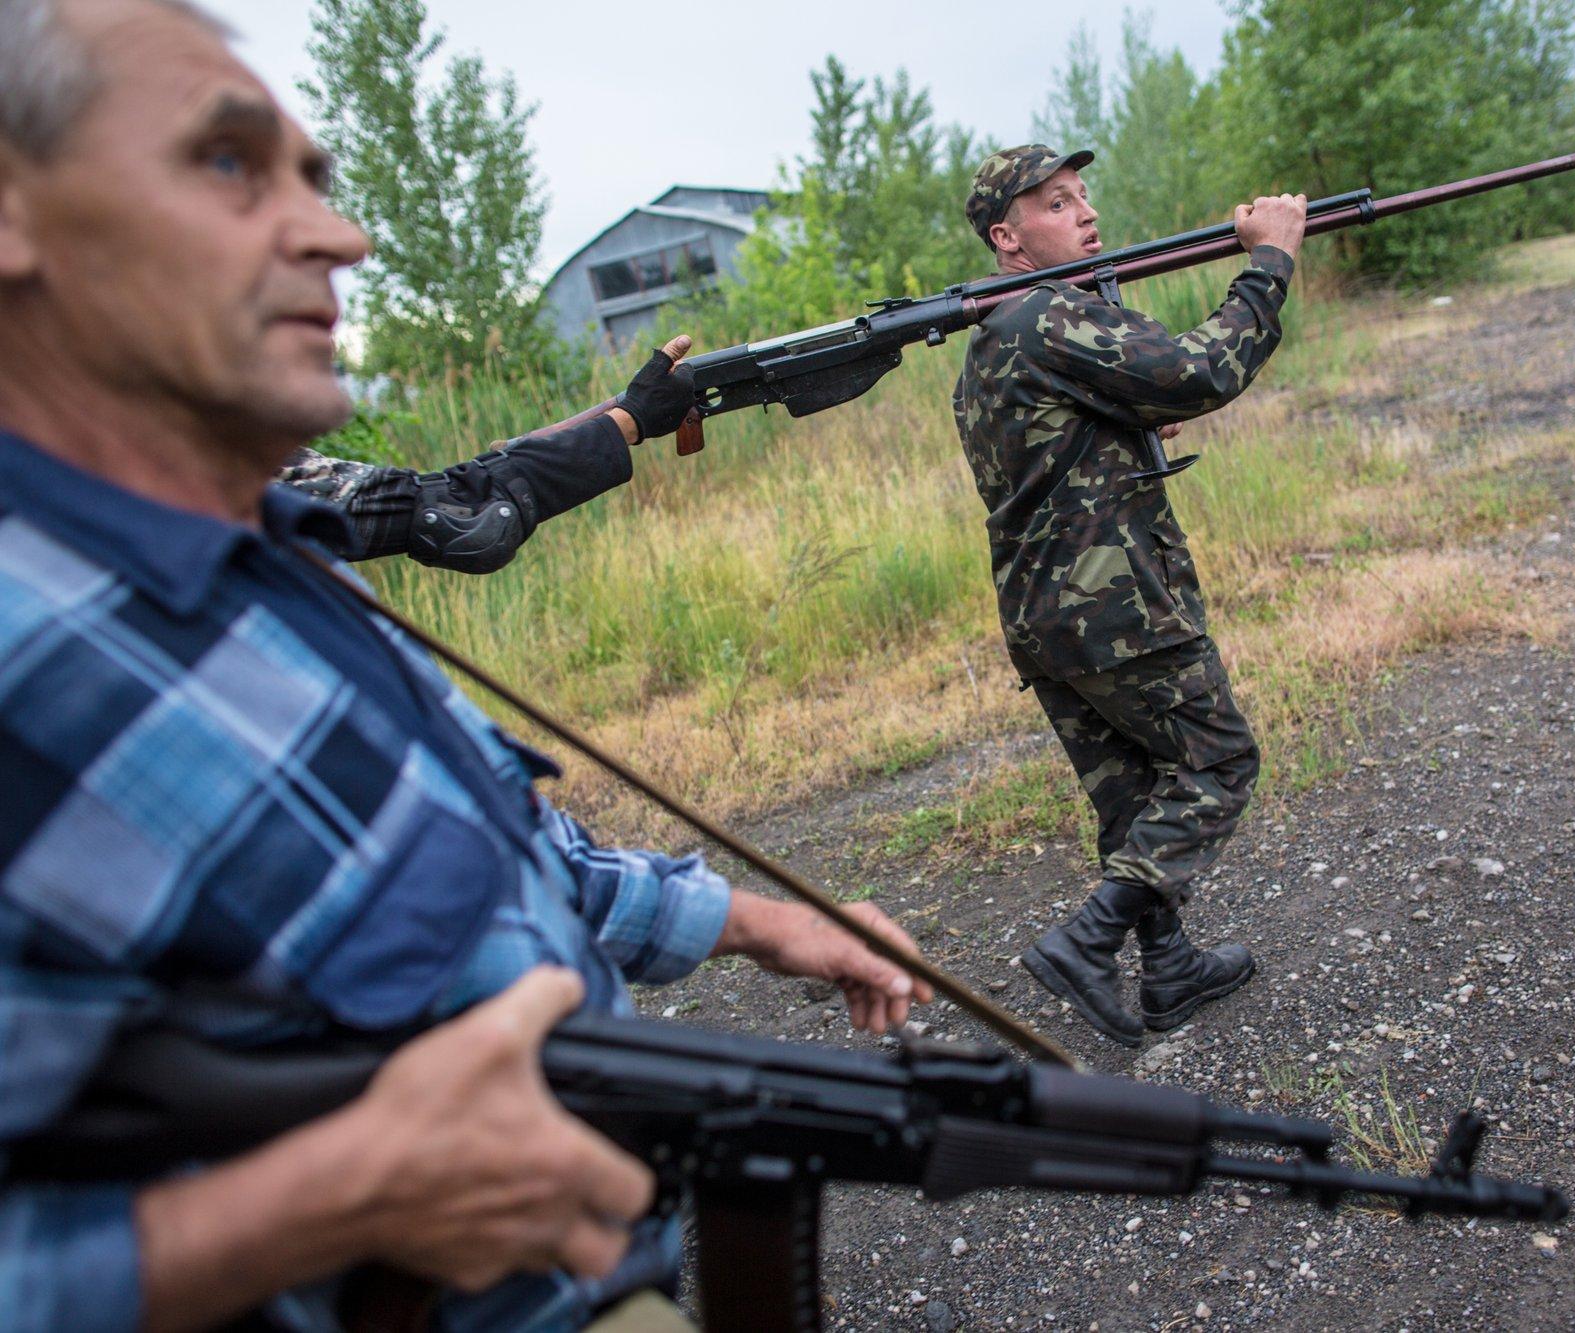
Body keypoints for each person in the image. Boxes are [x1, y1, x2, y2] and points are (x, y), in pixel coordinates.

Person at [0, 2, 932, 1329]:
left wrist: (776, 924)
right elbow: (464, 514)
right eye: (226, 162)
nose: (342, 236)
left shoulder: (265, 549)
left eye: (315, 179)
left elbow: (461, 849)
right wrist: (334, 1197)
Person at [954, 146, 1306, 1047]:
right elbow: (1201, 370)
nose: (1086, 213)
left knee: (1132, 796)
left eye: (1083, 197)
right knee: (1219, 761)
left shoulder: (991, 342)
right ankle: (1091, 937)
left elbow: (1062, 446)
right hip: (1117, 605)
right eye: (1056, 203)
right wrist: (1269, 262)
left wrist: (1134, 413)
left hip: (1045, 618)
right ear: (1009, 238)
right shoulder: (1047, 316)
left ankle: (1172, 969)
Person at [278, 335, 697, 573]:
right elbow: (461, 518)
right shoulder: (246, 481)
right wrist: (630, 419)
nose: (331, 346)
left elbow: (447, 500)